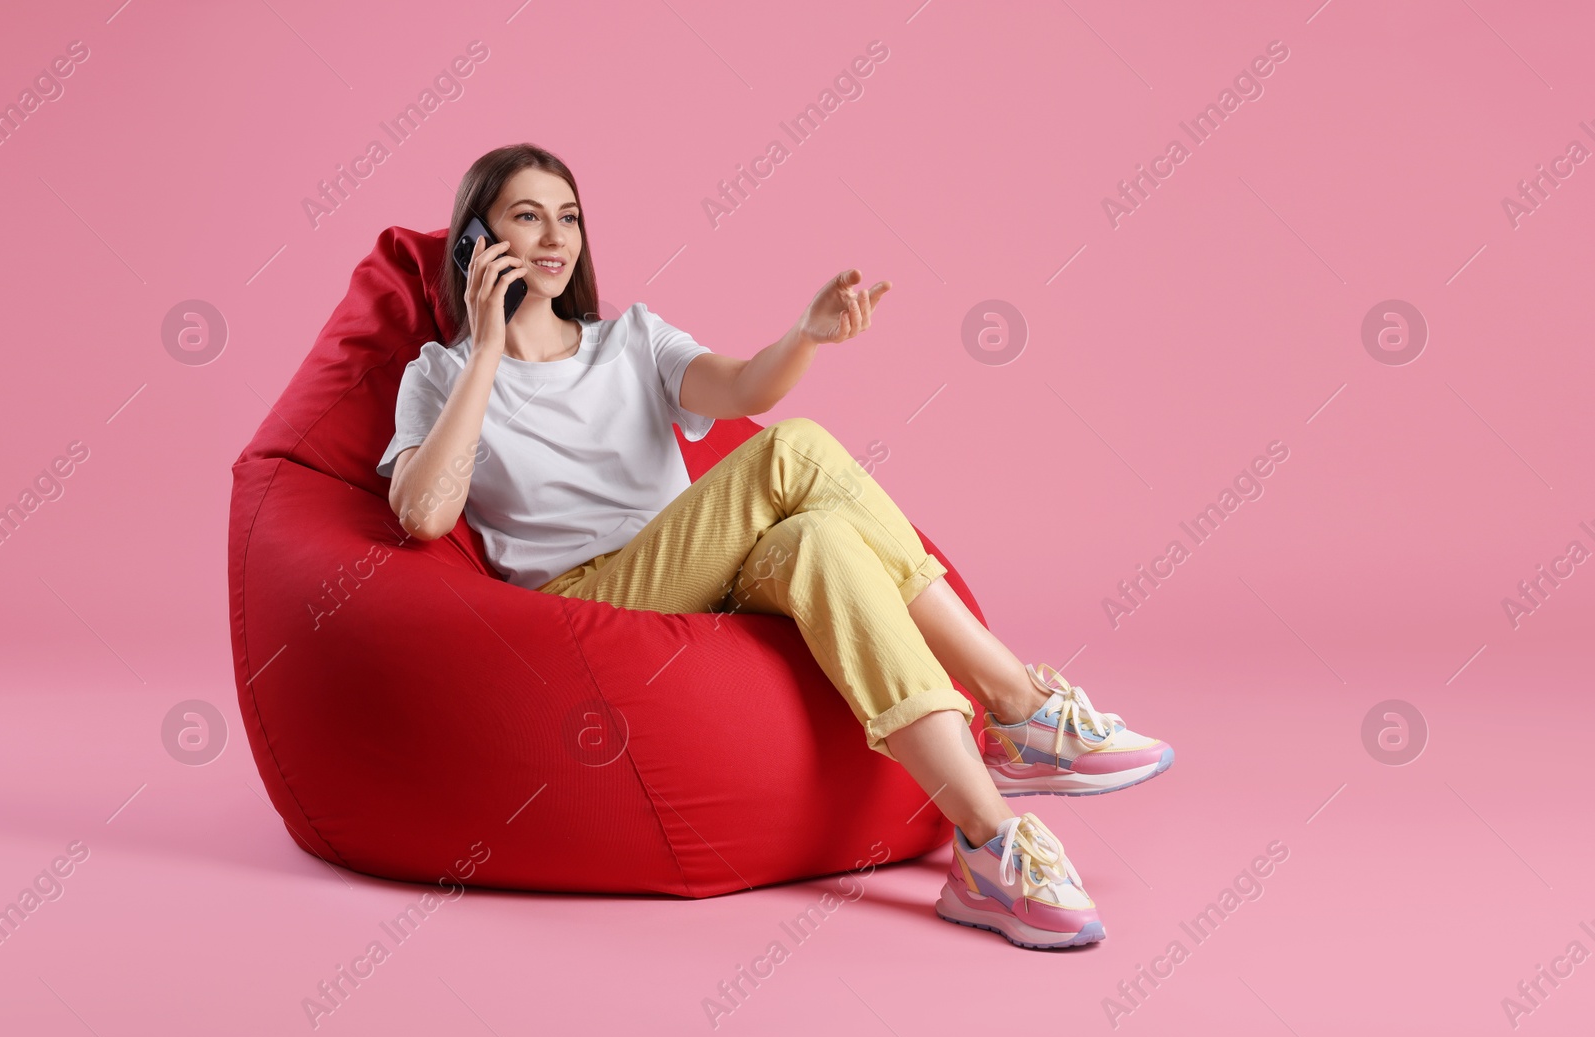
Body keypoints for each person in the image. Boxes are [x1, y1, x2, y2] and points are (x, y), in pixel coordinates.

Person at [377, 143, 1175, 949]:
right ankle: (1014, 704)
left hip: (695, 571)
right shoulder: (439, 374)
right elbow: (424, 514)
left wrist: (804, 335)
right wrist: (484, 348)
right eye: (526, 216)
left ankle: (988, 845)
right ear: (477, 239)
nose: (555, 236)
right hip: (582, 607)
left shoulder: (632, 340)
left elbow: (742, 388)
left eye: (569, 217)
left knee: (821, 537)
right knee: (793, 449)